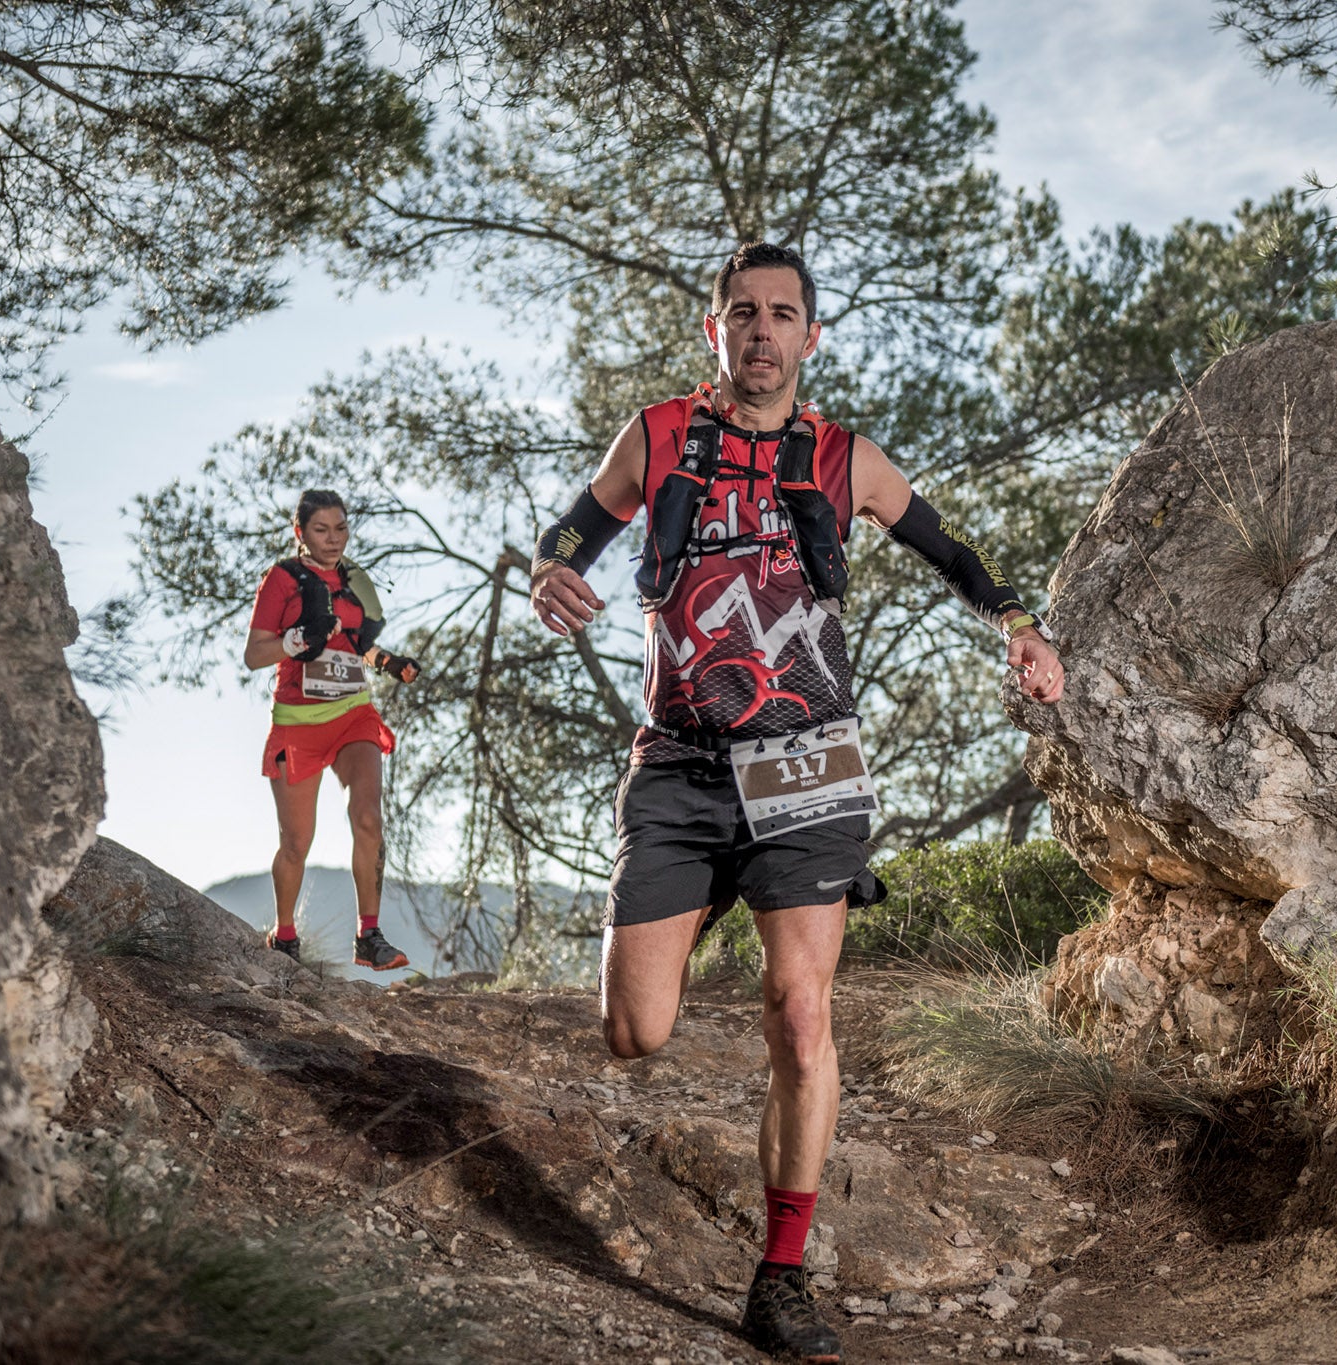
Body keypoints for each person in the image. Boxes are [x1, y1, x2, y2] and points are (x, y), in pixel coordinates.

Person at [528, 242, 1065, 1362]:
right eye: (741, 313)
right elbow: (575, 530)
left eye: (781, 314)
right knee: (636, 1032)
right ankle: (708, 893)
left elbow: (951, 550)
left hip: (808, 764)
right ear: (713, 332)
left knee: (799, 1013)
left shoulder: (841, 457)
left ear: (810, 337)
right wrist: (552, 570)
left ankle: (779, 1277)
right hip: (677, 763)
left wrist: (1015, 625)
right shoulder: (659, 435)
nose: (760, 330)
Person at [244, 489, 424, 973]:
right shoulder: (282, 580)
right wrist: (299, 638)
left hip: (353, 714)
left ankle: (369, 935)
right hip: (298, 724)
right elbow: (255, 653)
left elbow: (356, 645)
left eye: (340, 528)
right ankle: (284, 936)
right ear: (299, 532)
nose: (333, 539)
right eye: (321, 530)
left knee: (368, 819)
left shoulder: (354, 579)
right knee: (296, 843)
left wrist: (389, 662)